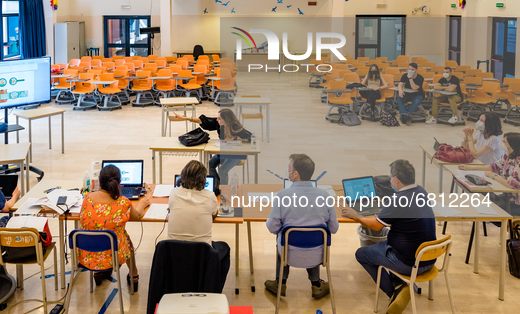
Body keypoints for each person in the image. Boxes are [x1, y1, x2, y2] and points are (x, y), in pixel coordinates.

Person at [342, 160, 436, 314]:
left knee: (362, 254)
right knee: (384, 244)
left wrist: (356, 215)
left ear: (396, 179)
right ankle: (399, 283)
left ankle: (394, 291)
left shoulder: (398, 200)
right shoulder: (421, 191)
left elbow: (376, 225)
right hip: (429, 259)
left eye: (390, 176)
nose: (390, 179)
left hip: (409, 263)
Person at [265, 154, 339, 299]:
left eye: (289, 168)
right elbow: (334, 228)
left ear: (295, 174)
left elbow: (272, 227)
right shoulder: (324, 196)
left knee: (282, 234)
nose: (287, 170)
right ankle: (316, 285)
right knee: (312, 232)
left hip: (289, 255)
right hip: (318, 256)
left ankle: (281, 283)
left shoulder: (283, 195)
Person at [78, 164, 150, 289]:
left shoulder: (87, 198)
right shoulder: (122, 202)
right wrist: (142, 204)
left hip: (88, 255)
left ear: (99, 182)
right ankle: (134, 274)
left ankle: (97, 272)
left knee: (96, 232)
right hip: (114, 255)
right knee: (124, 237)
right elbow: (137, 216)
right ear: (119, 183)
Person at [168, 160, 230, 290]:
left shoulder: (173, 193)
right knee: (225, 248)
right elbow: (214, 214)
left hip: (175, 254)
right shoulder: (210, 196)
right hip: (202, 255)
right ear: (203, 179)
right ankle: (214, 289)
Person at [172, 109, 252, 187]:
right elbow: (203, 121)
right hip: (225, 152)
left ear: (227, 120)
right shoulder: (218, 124)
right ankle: (217, 185)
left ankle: (223, 191)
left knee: (222, 170)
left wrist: (235, 138)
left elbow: (251, 137)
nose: (217, 120)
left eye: (219, 118)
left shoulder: (235, 127)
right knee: (209, 164)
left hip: (236, 154)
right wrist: (185, 118)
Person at [459, 132, 520, 215]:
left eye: (505, 142)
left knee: (491, 211)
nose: (502, 142)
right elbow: (494, 167)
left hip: (517, 201)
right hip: (510, 195)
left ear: (513, 146)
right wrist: (470, 168)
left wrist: (493, 175)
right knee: (483, 203)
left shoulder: (518, 161)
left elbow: (511, 185)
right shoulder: (508, 155)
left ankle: (504, 225)